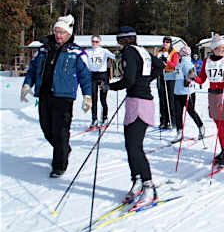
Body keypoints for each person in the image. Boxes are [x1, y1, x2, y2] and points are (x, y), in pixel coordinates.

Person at [21, 14, 92, 178]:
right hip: (45, 94)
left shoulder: (77, 52)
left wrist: (87, 96)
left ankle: (59, 165)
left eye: (62, 32)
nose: (59, 35)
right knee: (47, 129)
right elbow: (32, 69)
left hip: (64, 97)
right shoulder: (43, 49)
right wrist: (26, 84)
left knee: (61, 131)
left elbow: (85, 77)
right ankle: (64, 148)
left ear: (69, 34)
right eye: (56, 31)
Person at [109, 26, 164, 208]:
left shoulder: (129, 52)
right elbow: (160, 66)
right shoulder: (143, 51)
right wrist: (145, 80)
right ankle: (138, 180)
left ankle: (149, 186)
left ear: (123, 40)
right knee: (130, 145)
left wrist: (111, 86)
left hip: (139, 103)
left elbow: (129, 79)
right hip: (137, 101)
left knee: (135, 147)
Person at [193, 34, 224, 167]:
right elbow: (202, 79)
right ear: (214, 48)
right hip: (214, 96)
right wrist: (193, 78)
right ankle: (223, 150)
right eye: (221, 48)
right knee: (219, 126)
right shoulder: (207, 61)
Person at [171, 46, 205, 143]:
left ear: (184, 54)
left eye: (180, 53)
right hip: (177, 92)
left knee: (191, 111)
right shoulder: (179, 63)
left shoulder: (188, 64)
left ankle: (201, 126)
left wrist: (188, 80)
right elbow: (176, 75)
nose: (178, 54)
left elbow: (193, 76)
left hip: (187, 92)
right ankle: (179, 132)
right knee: (178, 113)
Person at [87, 35, 116, 127]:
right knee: (93, 99)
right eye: (93, 41)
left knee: (103, 99)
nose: (94, 43)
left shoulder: (104, 51)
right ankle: (94, 119)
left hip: (103, 75)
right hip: (92, 76)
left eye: (96, 42)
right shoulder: (88, 51)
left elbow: (115, 57)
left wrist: (120, 54)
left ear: (100, 42)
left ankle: (105, 118)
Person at [156, 37, 179, 129]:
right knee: (162, 98)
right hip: (161, 75)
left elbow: (175, 65)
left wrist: (167, 61)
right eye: (164, 42)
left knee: (170, 98)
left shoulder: (174, 52)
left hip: (170, 75)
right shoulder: (159, 52)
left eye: (167, 42)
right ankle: (163, 120)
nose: (165, 43)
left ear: (170, 43)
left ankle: (172, 120)